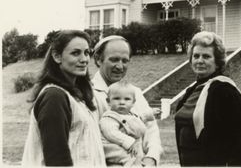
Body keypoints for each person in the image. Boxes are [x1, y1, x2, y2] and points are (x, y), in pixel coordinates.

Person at [22, 30, 106, 166]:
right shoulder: (54, 97)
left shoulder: (79, 96)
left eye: (86, 53)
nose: (84, 59)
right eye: (75, 53)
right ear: (57, 56)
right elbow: (57, 159)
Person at [175, 31, 241, 166]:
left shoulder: (225, 90)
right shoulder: (191, 91)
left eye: (206, 56)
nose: (200, 60)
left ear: (217, 62)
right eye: (196, 56)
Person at [92, 35, 162, 166]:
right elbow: (96, 140)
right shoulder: (89, 94)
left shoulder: (136, 92)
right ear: (98, 60)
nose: (120, 66)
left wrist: (151, 158)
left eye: (125, 61)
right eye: (114, 60)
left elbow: (151, 130)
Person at [100, 80, 155, 166]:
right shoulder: (109, 117)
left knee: (137, 158)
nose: (122, 102)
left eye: (127, 99)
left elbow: (138, 119)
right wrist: (129, 142)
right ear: (108, 101)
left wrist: (150, 113)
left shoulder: (130, 115)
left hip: (131, 147)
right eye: (116, 98)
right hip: (114, 147)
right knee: (129, 160)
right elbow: (111, 132)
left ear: (133, 102)